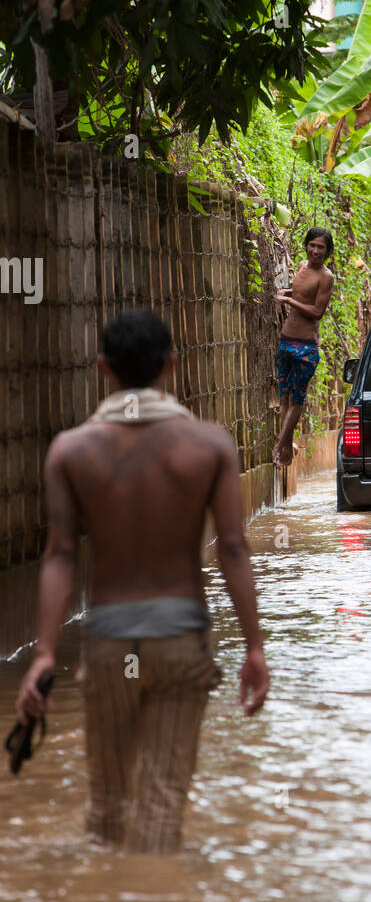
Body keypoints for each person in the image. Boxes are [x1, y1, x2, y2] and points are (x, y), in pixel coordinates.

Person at [15, 310, 270, 854]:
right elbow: (232, 549)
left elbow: (59, 556)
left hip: (109, 644)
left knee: (105, 809)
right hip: (181, 642)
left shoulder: (71, 451)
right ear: (171, 366)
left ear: (103, 369)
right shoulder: (209, 446)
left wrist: (43, 654)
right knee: (160, 804)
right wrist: (254, 645)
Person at [273, 227, 335, 466]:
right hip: (286, 339)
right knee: (283, 398)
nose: (316, 251)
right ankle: (288, 449)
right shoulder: (301, 266)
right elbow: (301, 293)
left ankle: (279, 448)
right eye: (312, 245)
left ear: (328, 251)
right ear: (306, 245)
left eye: (321, 247)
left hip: (305, 347)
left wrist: (288, 300)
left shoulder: (326, 277)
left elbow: (317, 311)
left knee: (297, 400)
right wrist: (288, 291)